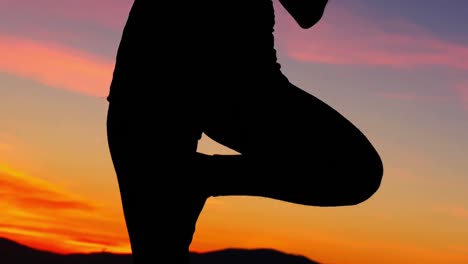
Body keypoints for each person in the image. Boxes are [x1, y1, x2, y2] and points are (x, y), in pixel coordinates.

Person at [106, 0, 384, 263]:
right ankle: (199, 178)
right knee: (357, 171)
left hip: (161, 85)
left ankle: (198, 179)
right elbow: (307, 10)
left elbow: (306, 11)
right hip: (201, 89)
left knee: (357, 171)